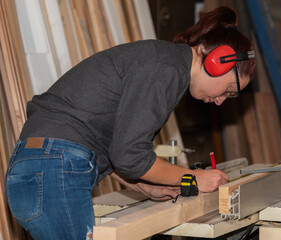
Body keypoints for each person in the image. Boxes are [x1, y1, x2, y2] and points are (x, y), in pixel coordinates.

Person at [5, 6, 256, 240]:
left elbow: (109, 146)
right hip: (54, 168)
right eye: (230, 89)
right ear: (216, 61)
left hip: (39, 167)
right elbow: (130, 156)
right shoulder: (165, 69)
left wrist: (143, 186)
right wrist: (192, 177)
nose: (222, 100)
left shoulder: (163, 63)